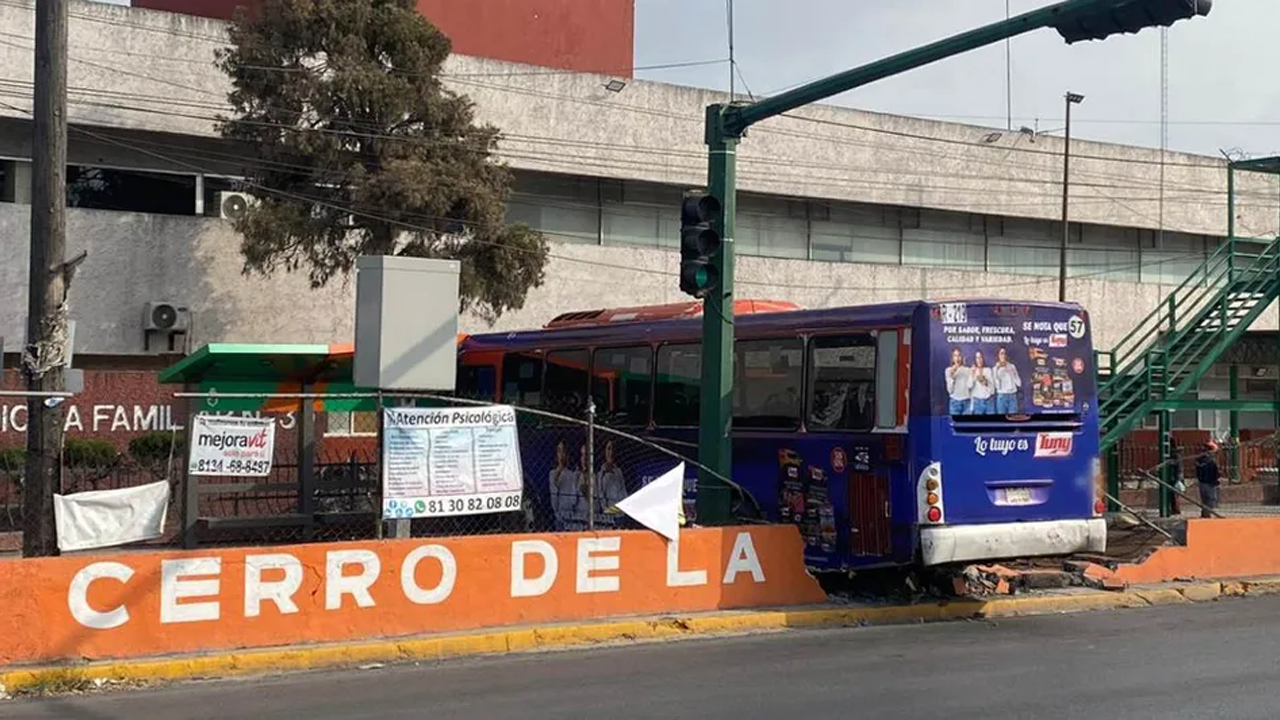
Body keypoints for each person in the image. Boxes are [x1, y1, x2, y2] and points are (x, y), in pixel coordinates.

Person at [1195, 440, 1221, 518]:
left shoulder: (1200, 460)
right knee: (1210, 498)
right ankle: (1206, 514)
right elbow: (1214, 472)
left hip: (1203, 481)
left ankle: (1205, 513)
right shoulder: (1210, 461)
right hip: (1209, 482)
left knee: (1205, 499)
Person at [993, 347, 1022, 415]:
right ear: (998, 355)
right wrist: (997, 371)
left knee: (1013, 419)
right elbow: (997, 387)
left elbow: (1019, 384)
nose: (1003, 355)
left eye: (1005, 353)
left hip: (1012, 397)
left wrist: (1012, 372)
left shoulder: (1012, 366)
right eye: (1001, 353)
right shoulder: (995, 368)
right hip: (1001, 397)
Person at [945, 348, 973, 415]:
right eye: (955, 355)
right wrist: (951, 375)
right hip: (954, 402)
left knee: (966, 425)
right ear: (952, 358)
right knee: (955, 425)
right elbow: (949, 390)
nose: (957, 358)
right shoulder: (948, 370)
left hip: (967, 402)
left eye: (959, 355)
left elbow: (970, 387)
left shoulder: (968, 370)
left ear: (962, 357)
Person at [970, 350, 995, 415]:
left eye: (980, 357)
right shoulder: (972, 370)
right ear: (974, 359)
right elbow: (969, 387)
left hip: (989, 402)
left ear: (983, 358)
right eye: (977, 357)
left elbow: (992, 391)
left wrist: (986, 383)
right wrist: (972, 374)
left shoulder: (988, 370)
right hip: (977, 403)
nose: (979, 360)